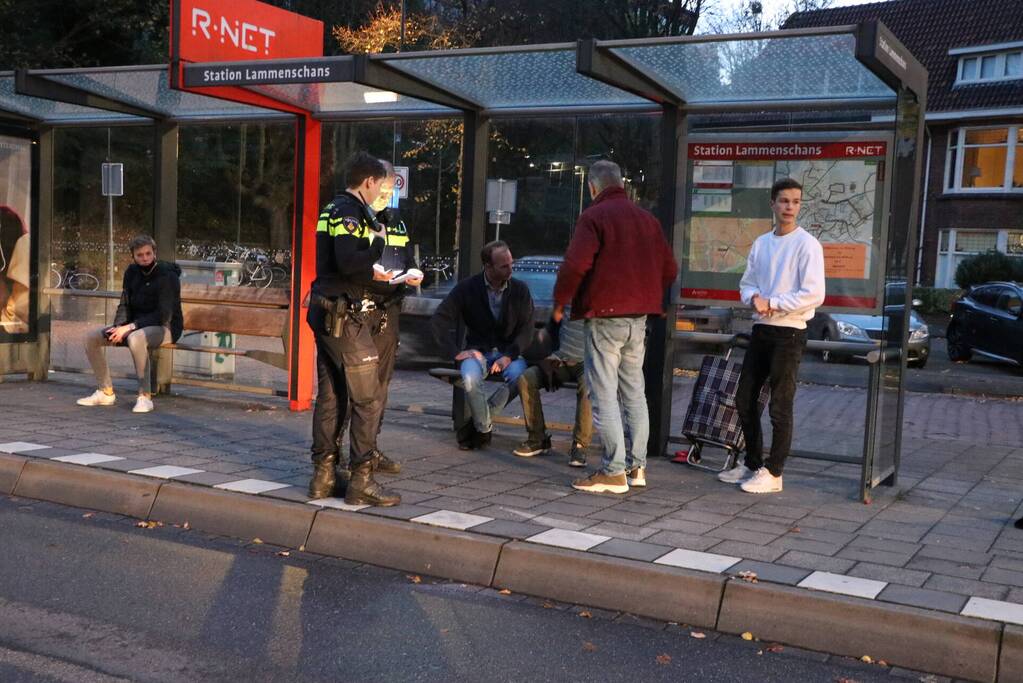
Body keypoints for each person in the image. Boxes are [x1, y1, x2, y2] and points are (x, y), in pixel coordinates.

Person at [553, 160, 677, 494]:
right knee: (634, 391)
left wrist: (560, 301)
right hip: (639, 319)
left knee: (604, 393)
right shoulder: (647, 220)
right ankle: (638, 468)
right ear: (621, 183)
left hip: (605, 316)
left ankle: (613, 471)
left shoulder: (594, 217)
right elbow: (669, 268)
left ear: (593, 187)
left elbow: (576, 264)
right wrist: (651, 297)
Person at [306, 152, 404, 506]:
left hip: (326, 314)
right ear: (368, 182)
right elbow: (349, 261)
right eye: (379, 184)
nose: (381, 190)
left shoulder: (331, 209)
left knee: (332, 397)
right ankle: (362, 481)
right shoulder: (349, 211)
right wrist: (377, 243)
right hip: (344, 318)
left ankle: (324, 476)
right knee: (369, 398)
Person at [718, 177, 825, 494]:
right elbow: (746, 283)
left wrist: (773, 303)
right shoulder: (762, 243)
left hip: (790, 333)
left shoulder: (808, 245)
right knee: (744, 399)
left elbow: (814, 294)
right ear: (773, 204)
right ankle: (751, 464)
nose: (789, 207)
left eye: (795, 201)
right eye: (784, 201)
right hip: (761, 330)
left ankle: (774, 472)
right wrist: (754, 299)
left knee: (780, 405)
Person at [339, 160, 423, 468]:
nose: (387, 195)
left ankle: (369, 450)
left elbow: (407, 257)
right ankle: (346, 453)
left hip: (390, 311)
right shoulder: (355, 216)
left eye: (392, 190)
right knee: (356, 388)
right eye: (384, 189)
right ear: (371, 183)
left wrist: (413, 272)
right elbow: (349, 263)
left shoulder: (396, 220)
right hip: (361, 310)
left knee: (380, 387)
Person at [431, 241, 534, 450]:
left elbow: (527, 330)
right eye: (504, 266)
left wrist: (510, 355)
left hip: (509, 353)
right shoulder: (468, 288)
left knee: (521, 377)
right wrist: (456, 352)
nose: (510, 269)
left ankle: (475, 428)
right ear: (488, 266)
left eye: (511, 264)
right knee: (469, 376)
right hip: (478, 352)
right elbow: (439, 319)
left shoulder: (520, 290)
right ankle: (484, 429)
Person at [76, 235, 183, 414]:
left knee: (136, 338)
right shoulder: (131, 272)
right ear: (133, 256)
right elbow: (125, 303)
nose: (145, 258)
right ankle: (105, 392)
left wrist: (131, 327)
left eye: (148, 253)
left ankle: (144, 397)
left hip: (166, 327)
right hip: (136, 326)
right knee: (92, 337)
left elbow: (163, 314)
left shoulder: (167, 275)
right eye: (140, 255)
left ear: (154, 253)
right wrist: (118, 326)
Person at [513, 314, 592, 467]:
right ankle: (538, 438)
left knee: (588, 385)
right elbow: (552, 330)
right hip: (560, 358)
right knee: (526, 378)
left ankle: (580, 445)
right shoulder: (564, 300)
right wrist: (548, 356)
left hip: (587, 361)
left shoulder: (596, 299)